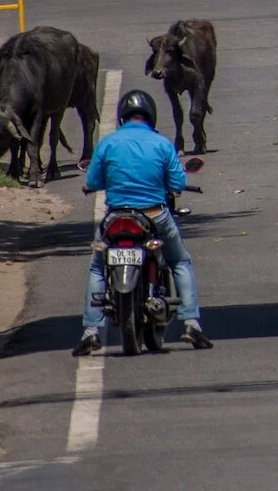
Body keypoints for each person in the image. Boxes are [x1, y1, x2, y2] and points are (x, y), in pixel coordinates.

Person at [73, 89, 212, 355]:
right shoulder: (161, 144)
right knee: (180, 261)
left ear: (122, 117)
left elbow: (92, 182)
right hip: (153, 215)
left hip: (116, 217)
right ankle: (192, 323)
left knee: (97, 269)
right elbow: (177, 183)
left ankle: (91, 331)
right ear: (151, 116)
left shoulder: (108, 144)